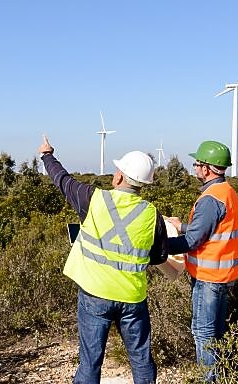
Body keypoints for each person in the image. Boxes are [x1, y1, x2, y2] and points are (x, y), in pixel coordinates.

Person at [40, 134, 168, 384]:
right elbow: (158, 256)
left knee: (90, 363)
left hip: (95, 295)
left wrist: (47, 155)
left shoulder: (93, 198)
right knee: (141, 361)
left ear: (119, 177)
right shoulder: (153, 215)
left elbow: (62, 180)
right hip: (132, 298)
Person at [164, 140, 238, 380]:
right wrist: (181, 226)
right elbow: (212, 230)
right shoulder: (228, 193)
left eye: (197, 164)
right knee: (216, 333)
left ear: (207, 168)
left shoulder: (210, 199)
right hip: (223, 276)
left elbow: (193, 241)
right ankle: (219, 377)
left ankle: (209, 380)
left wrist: (160, 246)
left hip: (208, 278)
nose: (195, 168)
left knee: (204, 334)